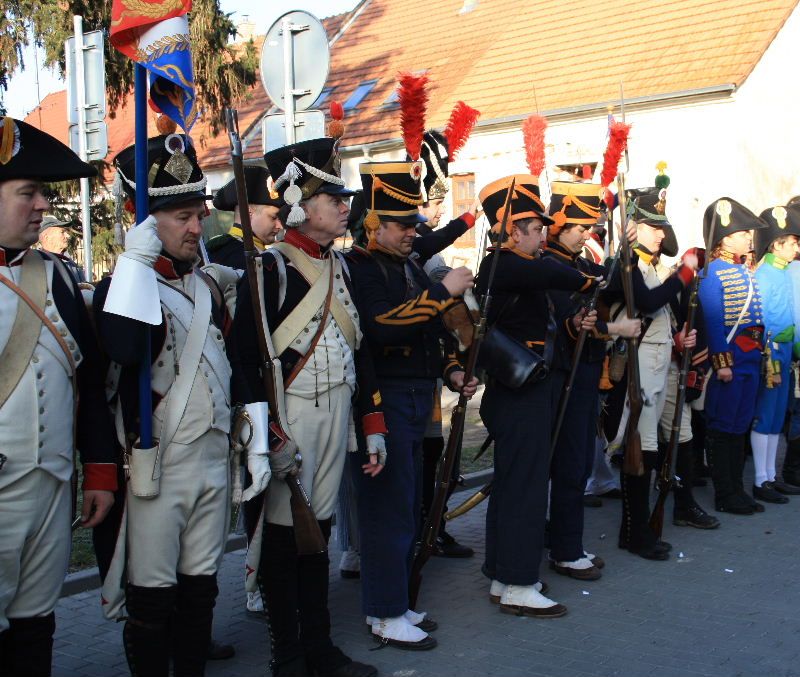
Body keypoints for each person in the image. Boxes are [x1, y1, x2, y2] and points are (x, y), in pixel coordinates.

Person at [233, 136, 386, 677]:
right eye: (333, 197)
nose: (345, 206)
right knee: (281, 538)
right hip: (288, 420)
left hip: (336, 415)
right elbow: (245, 359)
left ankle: (318, 648)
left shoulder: (341, 267)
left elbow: (357, 348)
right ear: (301, 204)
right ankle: (289, 655)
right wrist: (265, 436)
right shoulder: (270, 270)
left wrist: (371, 423)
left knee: (317, 535)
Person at [94, 131, 235, 675]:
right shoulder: (121, 289)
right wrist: (134, 263)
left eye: (198, 213)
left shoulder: (206, 286)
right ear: (145, 220)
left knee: (200, 595)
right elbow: (128, 349)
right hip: (156, 467)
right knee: (152, 603)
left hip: (212, 462)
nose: (197, 227)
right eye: (180, 217)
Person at [0, 117, 116, 677]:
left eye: (43, 193)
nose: (43, 206)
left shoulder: (61, 279)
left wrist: (97, 471)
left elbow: (89, 383)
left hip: (51, 487)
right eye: (28, 193)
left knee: (36, 623)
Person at [346, 158, 476, 648]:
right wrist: (443, 292)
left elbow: (431, 336)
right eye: (402, 225)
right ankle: (383, 611)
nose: (411, 234)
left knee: (408, 504)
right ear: (375, 224)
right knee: (388, 512)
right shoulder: (359, 268)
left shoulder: (406, 265)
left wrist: (453, 370)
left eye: (412, 224)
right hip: (386, 397)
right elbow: (381, 326)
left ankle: (396, 600)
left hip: (418, 396)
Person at [475, 174, 602, 618]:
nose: (543, 234)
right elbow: (551, 270)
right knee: (524, 489)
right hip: (518, 392)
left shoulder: (515, 267)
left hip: (527, 388)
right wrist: (590, 281)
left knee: (517, 485)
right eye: (535, 227)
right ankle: (517, 582)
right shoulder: (501, 264)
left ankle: (502, 572)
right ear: (513, 228)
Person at [543, 180, 642, 580]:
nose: (587, 234)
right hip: (562, 375)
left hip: (584, 374)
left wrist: (623, 252)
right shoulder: (550, 265)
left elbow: (608, 280)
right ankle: (564, 549)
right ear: (559, 224)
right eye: (580, 227)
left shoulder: (577, 261)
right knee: (569, 463)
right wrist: (616, 328)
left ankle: (565, 538)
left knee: (580, 460)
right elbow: (575, 320)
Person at [608, 185, 699, 560]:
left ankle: (639, 528)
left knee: (654, 446)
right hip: (638, 366)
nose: (662, 234)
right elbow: (645, 302)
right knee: (639, 450)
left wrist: (679, 335)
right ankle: (634, 532)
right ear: (634, 226)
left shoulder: (649, 265)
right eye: (653, 226)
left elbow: (660, 313)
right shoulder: (624, 264)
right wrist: (683, 276)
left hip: (660, 364)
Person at [414, 128, 481, 559]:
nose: (439, 209)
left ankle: (432, 527)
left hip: (436, 367)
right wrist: (467, 221)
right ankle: (424, 530)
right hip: (413, 371)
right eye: (435, 201)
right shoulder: (416, 246)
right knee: (425, 458)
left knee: (438, 454)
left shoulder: (426, 250)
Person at [698, 198, 767, 515]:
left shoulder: (744, 269)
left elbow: (754, 321)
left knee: (740, 427)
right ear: (724, 237)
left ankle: (738, 490)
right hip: (729, 364)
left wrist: (758, 358)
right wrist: (723, 363)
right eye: (742, 234)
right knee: (724, 428)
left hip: (750, 360)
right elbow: (713, 320)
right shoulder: (713, 272)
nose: (747, 238)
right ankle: (725, 494)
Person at [749, 207, 800, 501]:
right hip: (770, 354)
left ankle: (771, 476)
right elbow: (759, 319)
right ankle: (760, 480)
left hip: (785, 353)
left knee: (778, 416)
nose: (796, 247)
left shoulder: (781, 272)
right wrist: (768, 356)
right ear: (776, 243)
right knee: (766, 416)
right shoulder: (764, 274)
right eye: (792, 242)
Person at [207, 166, 283, 269]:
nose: (280, 226)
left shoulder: (259, 252)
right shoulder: (230, 254)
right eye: (274, 217)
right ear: (247, 213)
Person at [37, 215, 85, 283]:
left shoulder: (71, 264)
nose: (68, 236)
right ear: (46, 237)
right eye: (62, 232)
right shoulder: (37, 265)